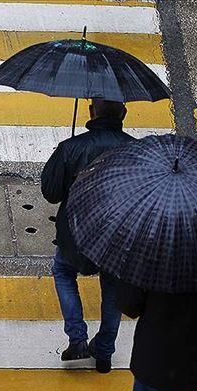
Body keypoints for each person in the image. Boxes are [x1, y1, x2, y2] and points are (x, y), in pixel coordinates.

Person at [40, 99, 135, 373]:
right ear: (124, 114)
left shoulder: (72, 148)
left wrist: (65, 156)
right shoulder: (136, 151)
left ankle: (77, 338)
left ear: (91, 111)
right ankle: (104, 352)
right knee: (113, 289)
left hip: (75, 233)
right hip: (117, 235)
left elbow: (51, 193)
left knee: (63, 272)